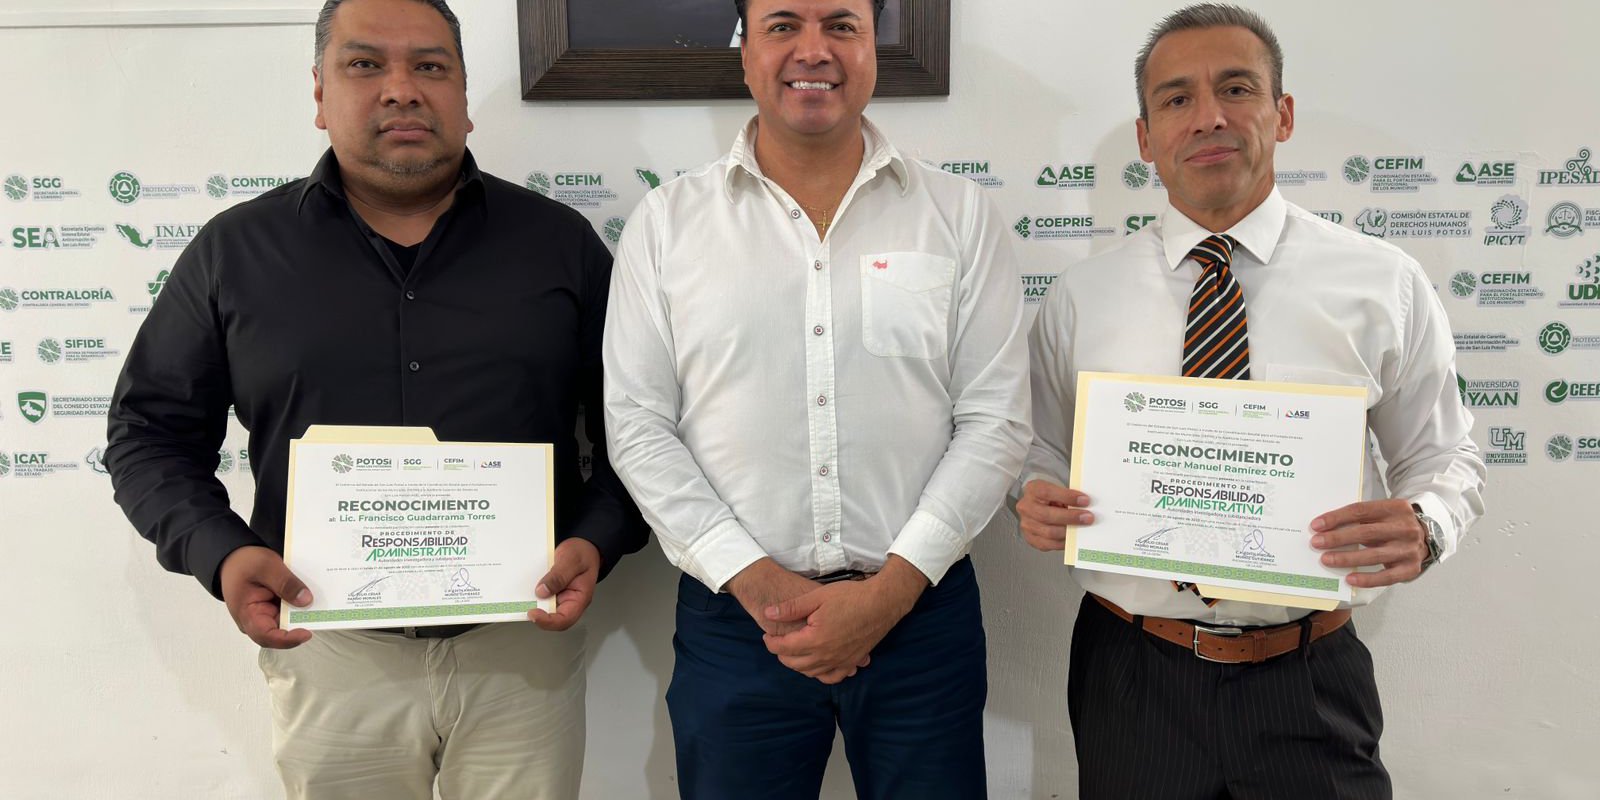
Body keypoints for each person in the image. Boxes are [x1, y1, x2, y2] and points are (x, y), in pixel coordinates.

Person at [105, 1, 645, 797]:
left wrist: (596, 540)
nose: (401, 89)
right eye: (365, 65)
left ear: (463, 96)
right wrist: (221, 554)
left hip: (521, 648)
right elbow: (149, 432)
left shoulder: (560, 246)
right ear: (320, 94)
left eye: (431, 66)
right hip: (330, 652)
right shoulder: (235, 251)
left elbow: (638, 432)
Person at [1017, 5, 1486, 798]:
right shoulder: (1079, 297)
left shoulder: (1383, 283)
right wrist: (1030, 495)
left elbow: (1444, 456)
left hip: (1309, 676)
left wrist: (1427, 524)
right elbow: (1036, 449)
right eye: (1177, 99)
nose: (1209, 117)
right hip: (1132, 674)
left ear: (1282, 114)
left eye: (1236, 89)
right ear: (1146, 138)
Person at [602, 1, 1030, 797]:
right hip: (736, 621)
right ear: (745, 51)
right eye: (783, 25)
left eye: (841, 25)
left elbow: (994, 420)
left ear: (872, 45)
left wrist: (891, 592)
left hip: (920, 617)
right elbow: (637, 426)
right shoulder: (666, 224)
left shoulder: (959, 215)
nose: (814, 50)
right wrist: (760, 584)